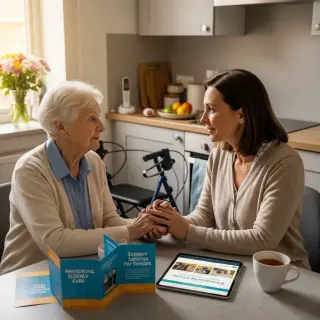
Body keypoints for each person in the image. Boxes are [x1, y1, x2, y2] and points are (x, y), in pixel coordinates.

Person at [147, 69, 310, 269]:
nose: (203, 118)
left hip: (285, 277)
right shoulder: (219, 154)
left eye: (211, 109)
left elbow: (262, 240)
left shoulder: (284, 163)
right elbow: (206, 215)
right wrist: (171, 223)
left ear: (241, 115)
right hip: (235, 265)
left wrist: (187, 232)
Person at [0, 81, 166, 275]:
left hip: (77, 273)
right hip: (27, 279)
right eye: (91, 119)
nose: (102, 127)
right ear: (60, 126)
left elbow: (109, 220)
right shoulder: (30, 171)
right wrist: (131, 231)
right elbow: (56, 242)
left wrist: (145, 223)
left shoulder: (94, 162)